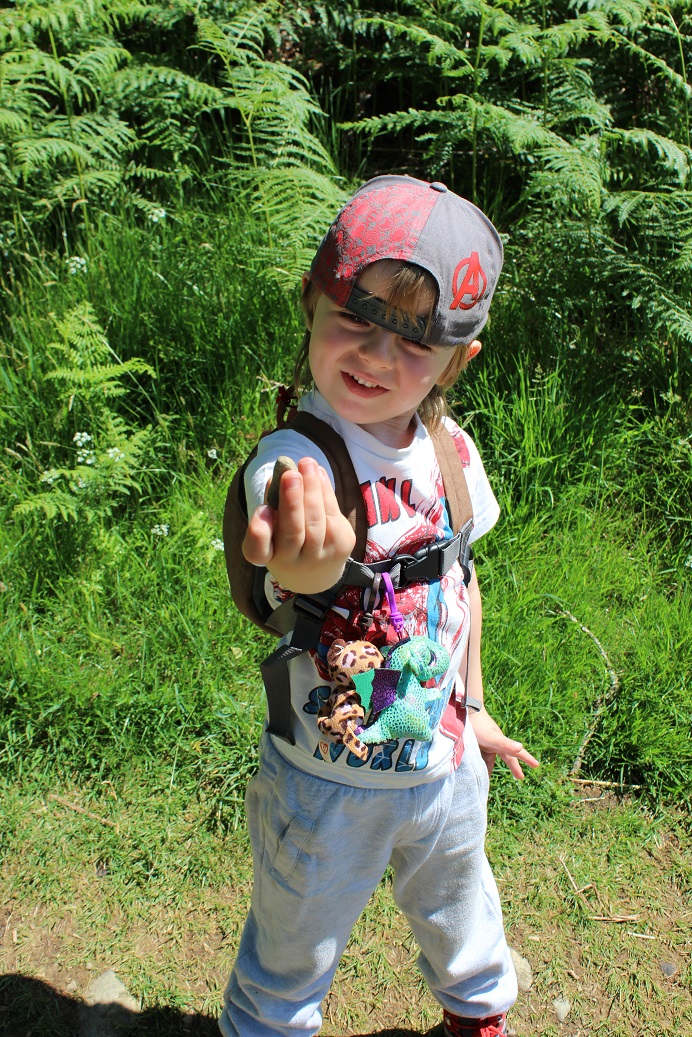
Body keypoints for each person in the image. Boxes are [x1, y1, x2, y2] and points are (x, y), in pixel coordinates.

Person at [219, 175, 539, 1037]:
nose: (375, 355)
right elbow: (295, 529)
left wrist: (472, 706)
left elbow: (461, 580)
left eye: (413, 339)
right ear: (311, 301)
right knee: (293, 947)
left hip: (444, 768)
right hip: (325, 781)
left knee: (464, 911)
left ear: (458, 359)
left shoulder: (452, 451)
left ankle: (477, 1013)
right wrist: (308, 559)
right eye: (355, 318)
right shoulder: (302, 456)